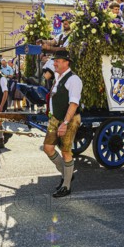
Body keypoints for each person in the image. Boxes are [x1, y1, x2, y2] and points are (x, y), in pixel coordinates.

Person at [43, 50, 82, 198]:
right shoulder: (58, 78)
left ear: (66, 63)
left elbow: (73, 104)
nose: (54, 63)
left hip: (69, 119)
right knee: (48, 148)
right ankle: (67, 174)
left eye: (57, 61)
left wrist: (65, 122)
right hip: (55, 119)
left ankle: (66, 186)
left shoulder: (74, 80)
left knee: (66, 151)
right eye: (54, 61)